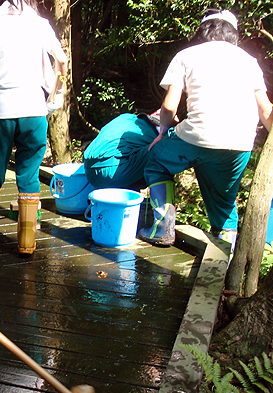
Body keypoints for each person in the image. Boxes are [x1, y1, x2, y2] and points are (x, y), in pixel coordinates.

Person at [139, 9, 272, 248]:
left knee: (156, 162)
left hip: (195, 137)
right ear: (233, 35)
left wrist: (161, 133)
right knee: (224, 204)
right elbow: (265, 110)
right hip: (239, 144)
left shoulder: (187, 55)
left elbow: (169, 106)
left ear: (202, 32)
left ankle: (162, 228)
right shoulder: (249, 61)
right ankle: (225, 265)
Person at [0, 0, 68, 254]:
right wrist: (56, 94)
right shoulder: (41, 24)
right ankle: (27, 242)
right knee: (28, 173)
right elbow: (61, 62)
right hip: (33, 110)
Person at [83, 112, 159, 191]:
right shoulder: (153, 133)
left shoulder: (126, 118)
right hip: (116, 172)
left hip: (89, 173)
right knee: (161, 151)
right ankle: (160, 201)